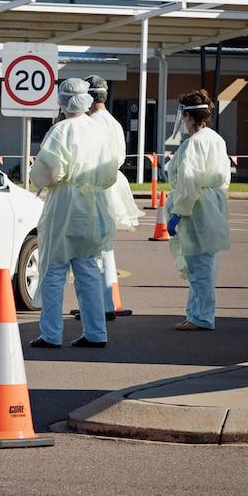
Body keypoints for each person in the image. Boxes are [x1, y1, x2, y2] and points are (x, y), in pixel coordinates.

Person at [28, 78, 119, 348]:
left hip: (65, 204)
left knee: (54, 271)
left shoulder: (61, 130)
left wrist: (41, 181)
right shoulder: (100, 129)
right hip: (94, 204)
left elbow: (49, 173)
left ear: (63, 100)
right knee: (89, 269)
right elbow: (111, 171)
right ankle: (96, 333)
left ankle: (51, 334)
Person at [165, 89, 230, 331]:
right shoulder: (215, 138)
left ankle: (202, 318)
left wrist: (178, 212)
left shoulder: (194, 144)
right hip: (212, 207)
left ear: (187, 116)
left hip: (197, 210)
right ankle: (194, 314)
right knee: (204, 267)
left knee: (199, 269)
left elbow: (189, 182)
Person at [84, 75, 144, 318]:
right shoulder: (114, 123)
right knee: (105, 247)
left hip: (94, 189)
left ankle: (96, 305)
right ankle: (106, 304)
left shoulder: (89, 124)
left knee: (91, 251)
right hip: (113, 188)